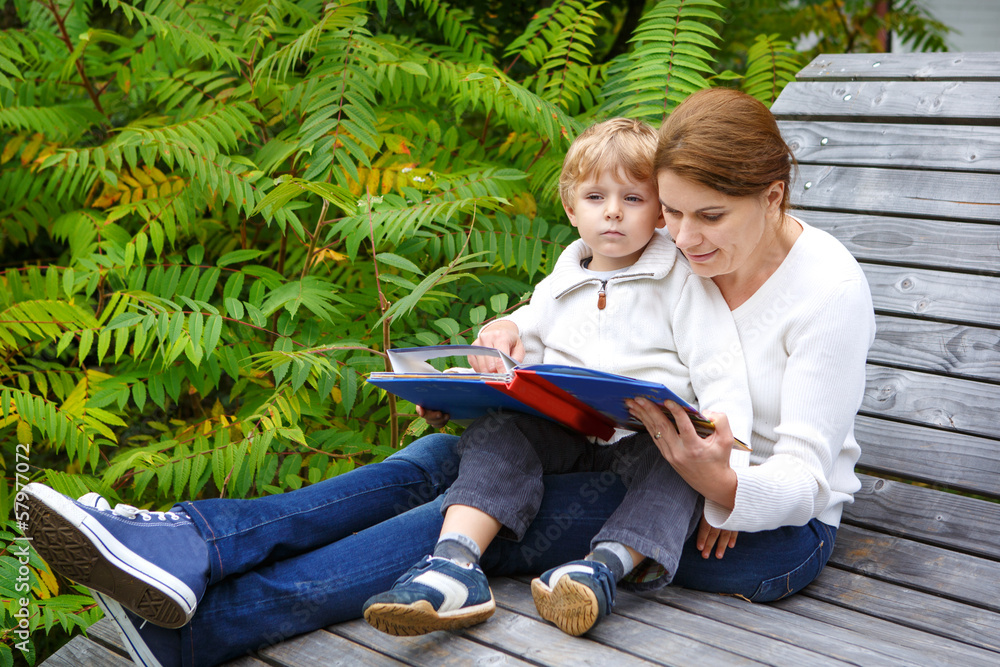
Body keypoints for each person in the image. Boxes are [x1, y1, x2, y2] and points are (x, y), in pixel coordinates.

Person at [22, 87, 874, 667]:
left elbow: (795, 470)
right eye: (674, 213)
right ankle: (187, 541)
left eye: (708, 218)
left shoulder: (826, 288)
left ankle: (202, 630)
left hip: (759, 530)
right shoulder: (673, 256)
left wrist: (730, 488)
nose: (682, 238)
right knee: (447, 455)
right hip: (631, 457)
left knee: (474, 510)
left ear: (773, 193)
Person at [361, 117, 752, 638]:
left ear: (661, 213)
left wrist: (731, 480)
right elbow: (528, 339)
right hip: (565, 436)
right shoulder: (561, 281)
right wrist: (493, 344)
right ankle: (455, 565)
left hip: (642, 442)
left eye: (633, 199)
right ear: (571, 208)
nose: (612, 211)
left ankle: (601, 570)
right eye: (595, 196)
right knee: (499, 430)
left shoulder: (681, 282)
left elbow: (722, 372)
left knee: (677, 461)